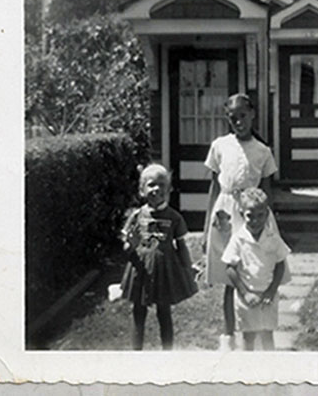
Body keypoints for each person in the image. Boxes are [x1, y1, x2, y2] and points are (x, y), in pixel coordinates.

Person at [201, 93, 286, 351]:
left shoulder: (262, 151)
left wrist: (266, 223)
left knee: (255, 272)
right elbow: (214, 188)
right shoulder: (220, 145)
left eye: (243, 116)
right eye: (232, 117)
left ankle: (259, 332)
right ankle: (229, 335)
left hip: (253, 213)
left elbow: (268, 192)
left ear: (252, 115)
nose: (238, 122)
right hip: (225, 212)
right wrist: (207, 227)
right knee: (230, 274)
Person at [120, 164, 198, 350]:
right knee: (138, 312)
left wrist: (189, 268)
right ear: (141, 190)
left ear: (169, 189)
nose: (157, 189)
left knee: (164, 311)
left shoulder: (174, 217)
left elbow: (181, 247)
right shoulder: (137, 216)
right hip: (139, 269)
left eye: (162, 184)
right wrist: (131, 243)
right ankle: (136, 353)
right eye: (151, 184)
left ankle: (167, 354)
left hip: (164, 270)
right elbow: (126, 249)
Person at [223, 188, 290, 351]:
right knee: (249, 336)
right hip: (247, 296)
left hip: (268, 295)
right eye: (250, 216)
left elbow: (281, 263)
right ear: (241, 214)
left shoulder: (273, 238)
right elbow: (230, 268)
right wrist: (244, 292)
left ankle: (268, 372)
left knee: (267, 334)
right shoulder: (238, 239)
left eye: (260, 215)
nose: (255, 221)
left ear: (267, 214)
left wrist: (272, 290)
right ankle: (248, 372)